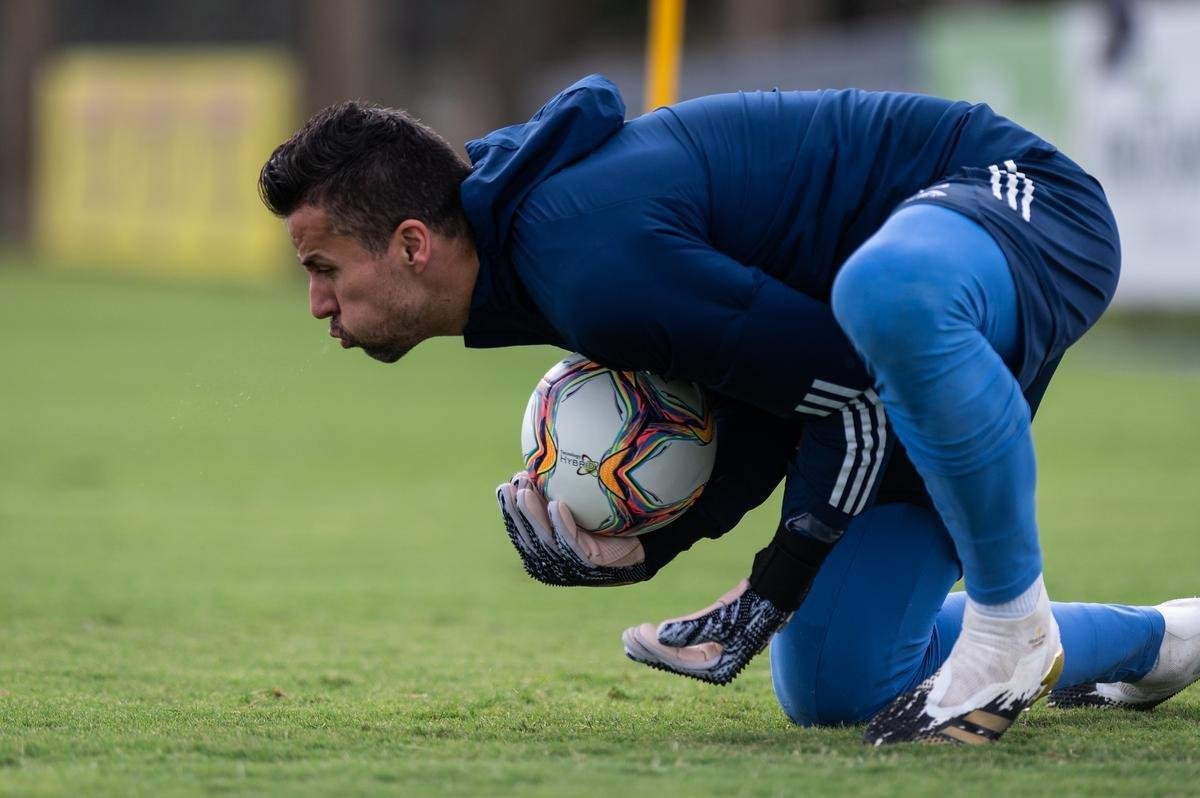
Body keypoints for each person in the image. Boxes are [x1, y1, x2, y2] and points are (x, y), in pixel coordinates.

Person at [258, 75, 1199, 743]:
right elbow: (786, 391)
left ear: (413, 244)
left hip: (1013, 198)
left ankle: (1009, 625)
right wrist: (649, 548)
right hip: (891, 343)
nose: (316, 305)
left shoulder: (587, 267)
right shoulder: (542, 270)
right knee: (838, 680)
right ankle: (1164, 642)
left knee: (887, 294)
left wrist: (773, 582)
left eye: (324, 269)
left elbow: (847, 382)